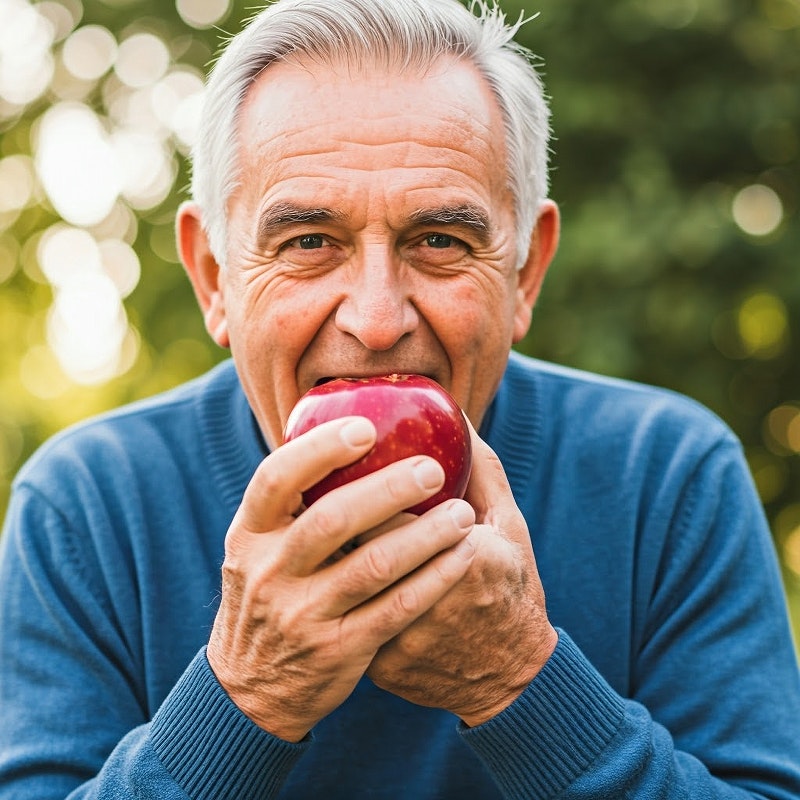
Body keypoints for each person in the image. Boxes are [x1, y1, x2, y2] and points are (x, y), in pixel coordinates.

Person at [1, 0, 799, 797]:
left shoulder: (666, 476)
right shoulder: (88, 506)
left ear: (524, 272)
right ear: (214, 277)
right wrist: (248, 696)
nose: (377, 320)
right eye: (309, 242)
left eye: (440, 240)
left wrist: (519, 682)